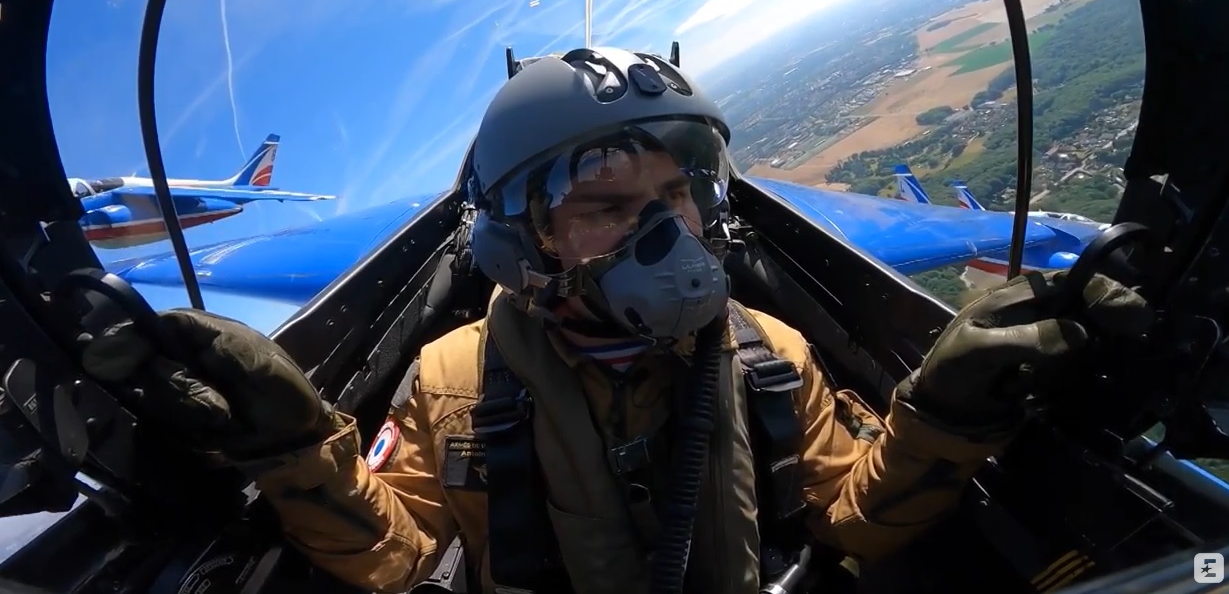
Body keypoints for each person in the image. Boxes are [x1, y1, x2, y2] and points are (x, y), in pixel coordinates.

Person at [82, 47, 1151, 594]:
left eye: (676, 198)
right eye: (606, 208)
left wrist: (945, 421)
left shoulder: (763, 352)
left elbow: (853, 522)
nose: (664, 234)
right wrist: (294, 452)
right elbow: (404, 563)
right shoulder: (453, 380)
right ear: (527, 236)